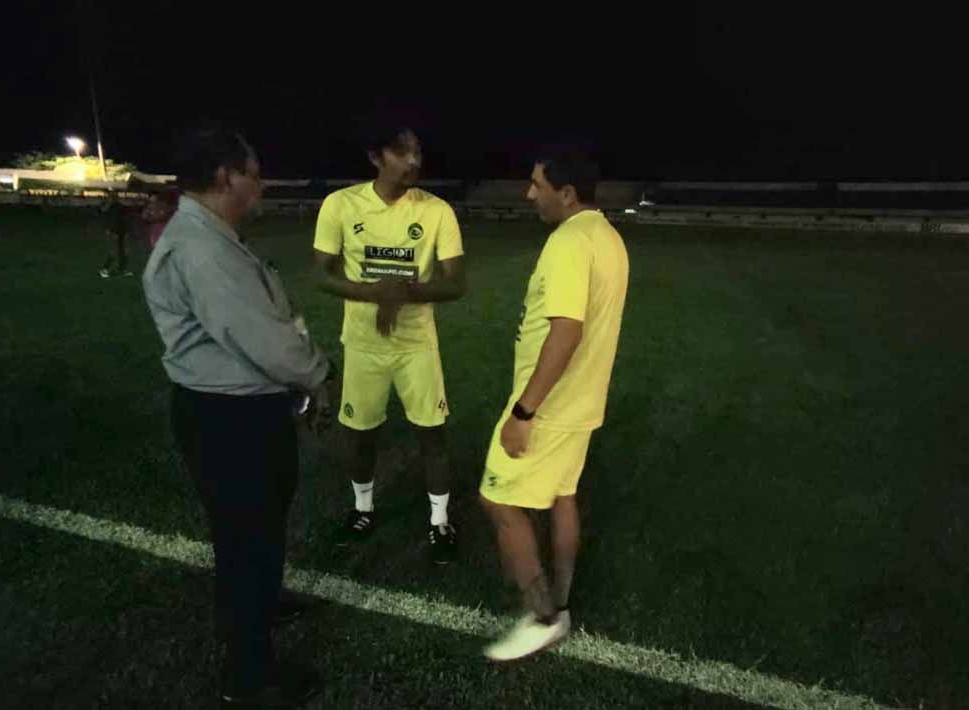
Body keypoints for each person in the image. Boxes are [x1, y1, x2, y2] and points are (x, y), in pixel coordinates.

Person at [142, 121, 333, 708]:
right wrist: (319, 374)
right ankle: (249, 675)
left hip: (240, 412)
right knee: (244, 540)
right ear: (227, 177)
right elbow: (263, 339)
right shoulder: (202, 247)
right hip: (228, 418)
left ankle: (266, 603)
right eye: (254, 171)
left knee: (259, 527)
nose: (262, 182)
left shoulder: (213, 236)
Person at [479, 147, 629, 661]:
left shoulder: (568, 241)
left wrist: (524, 412)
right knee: (563, 497)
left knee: (498, 499)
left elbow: (566, 330)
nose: (528, 194)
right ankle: (559, 606)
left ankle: (541, 618)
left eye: (537, 185)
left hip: (551, 406)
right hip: (583, 404)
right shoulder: (607, 235)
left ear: (566, 194)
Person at [311, 118, 467, 564]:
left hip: (417, 343)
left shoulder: (436, 210)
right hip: (362, 343)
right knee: (359, 434)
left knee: (432, 433)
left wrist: (405, 292)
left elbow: (456, 284)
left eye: (417, 151)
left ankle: (439, 521)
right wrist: (373, 293)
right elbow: (320, 273)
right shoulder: (340, 206)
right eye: (402, 152)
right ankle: (362, 509)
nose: (414, 160)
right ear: (376, 157)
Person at [98, 190, 135, 277]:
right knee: (114, 252)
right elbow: (110, 220)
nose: (114, 198)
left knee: (123, 252)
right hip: (114, 232)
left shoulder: (118, 206)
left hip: (121, 231)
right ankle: (104, 269)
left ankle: (122, 270)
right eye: (112, 196)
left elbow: (123, 219)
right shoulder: (108, 207)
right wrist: (112, 231)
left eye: (114, 196)